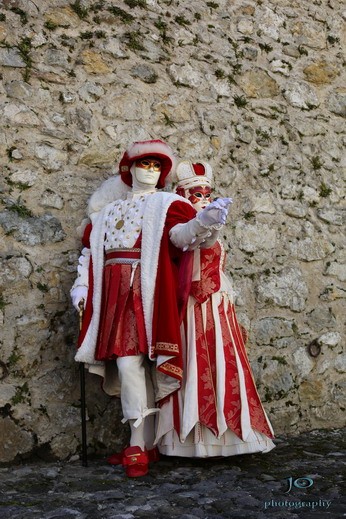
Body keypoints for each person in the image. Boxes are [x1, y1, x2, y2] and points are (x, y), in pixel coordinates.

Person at [70, 140, 232, 477]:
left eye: (158, 166)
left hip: (148, 293)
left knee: (136, 364)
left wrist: (205, 223)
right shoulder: (108, 212)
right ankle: (143, 445)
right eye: (145, 164)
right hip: (112, 295)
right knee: (129, 365)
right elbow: (90, 254)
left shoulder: (167, 203)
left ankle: (137, 446)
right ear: (129, 168)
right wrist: (81, 287)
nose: (151, 171)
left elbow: (180, 238)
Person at [155, 160, 275, 457]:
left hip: (220, 305)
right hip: (193, 307)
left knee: (225, 364)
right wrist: (205, 221)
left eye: (207, 192)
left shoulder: (210, 222)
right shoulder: (178, 224)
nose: (204, 197)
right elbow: (185, 239)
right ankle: (190, 441)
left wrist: (212, 223)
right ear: (183, 196)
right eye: (197, 194)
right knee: (198, 365)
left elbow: (211, 244)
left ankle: (233, 435)